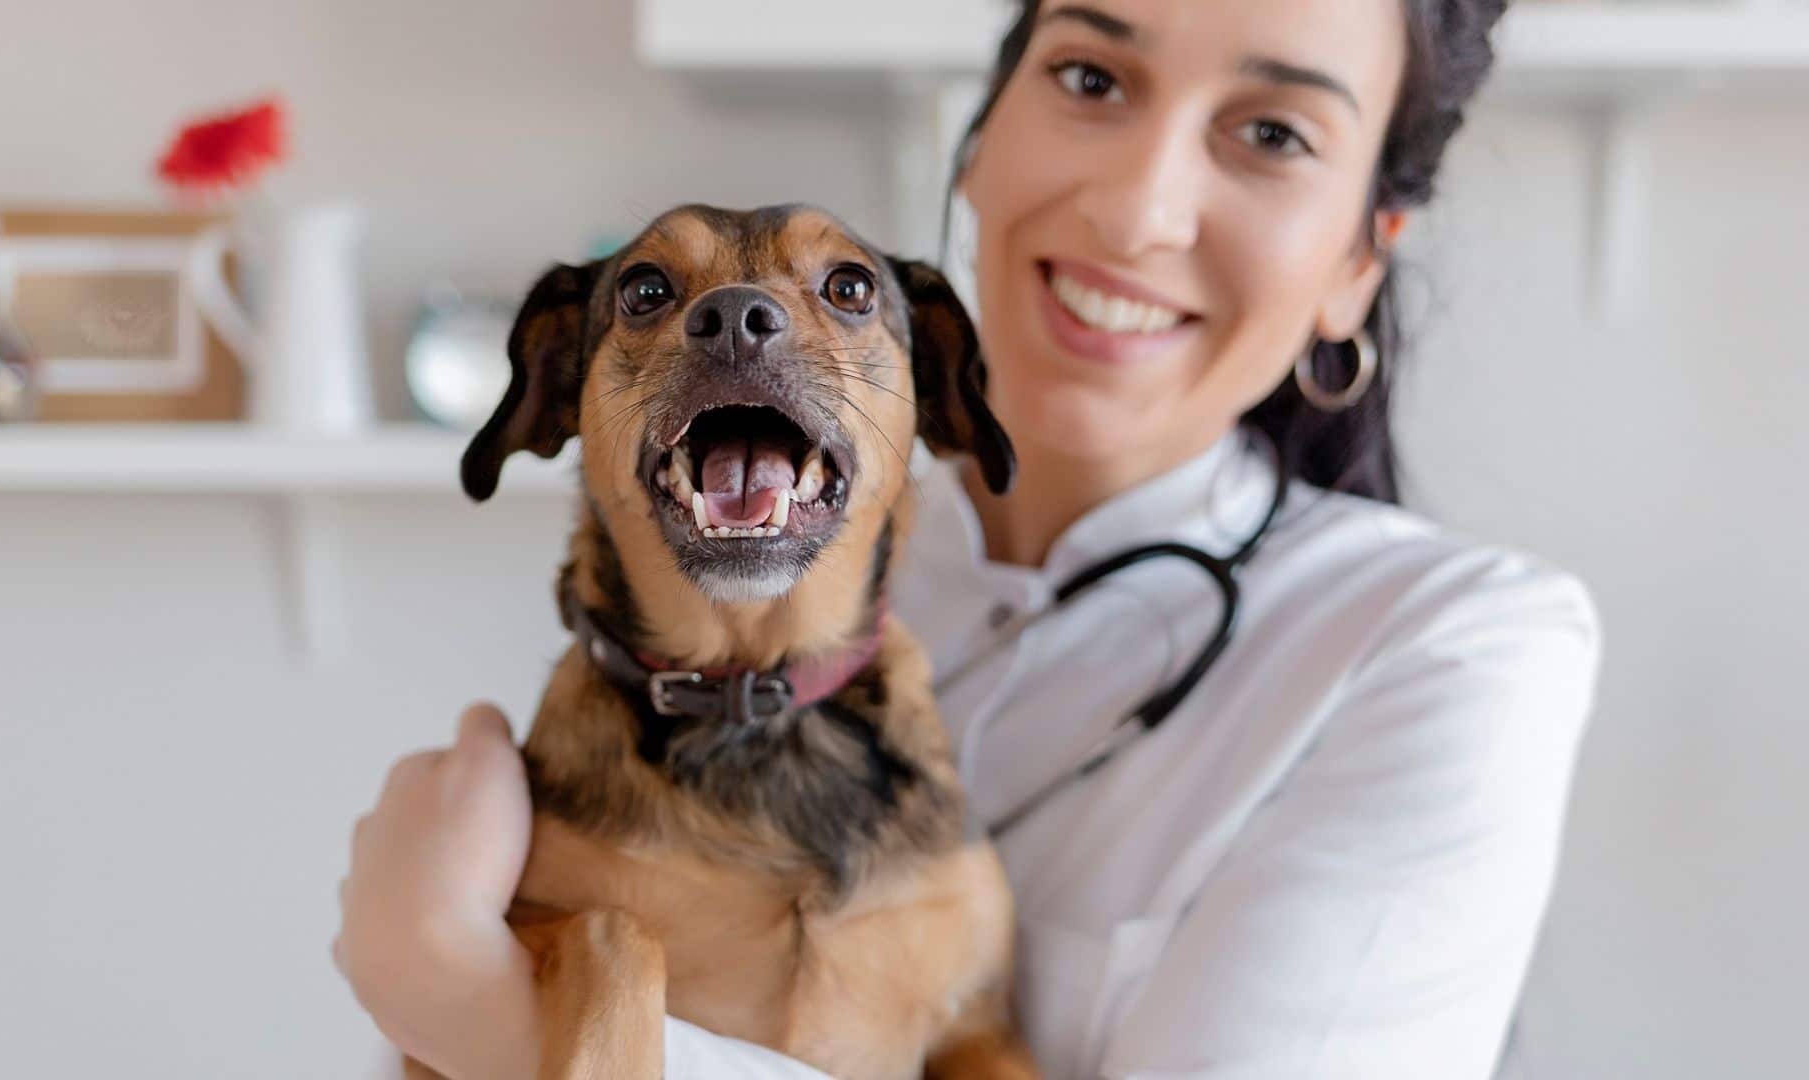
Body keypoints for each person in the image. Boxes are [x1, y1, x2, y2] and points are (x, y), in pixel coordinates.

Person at [333, 1, 1602, 1077]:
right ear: (980, 143)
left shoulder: (1457, 645)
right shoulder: (743, 573)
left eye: (1273, 134)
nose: (1136, 207)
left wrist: (471, 994)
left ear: (1358, 263)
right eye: (1091, 76)